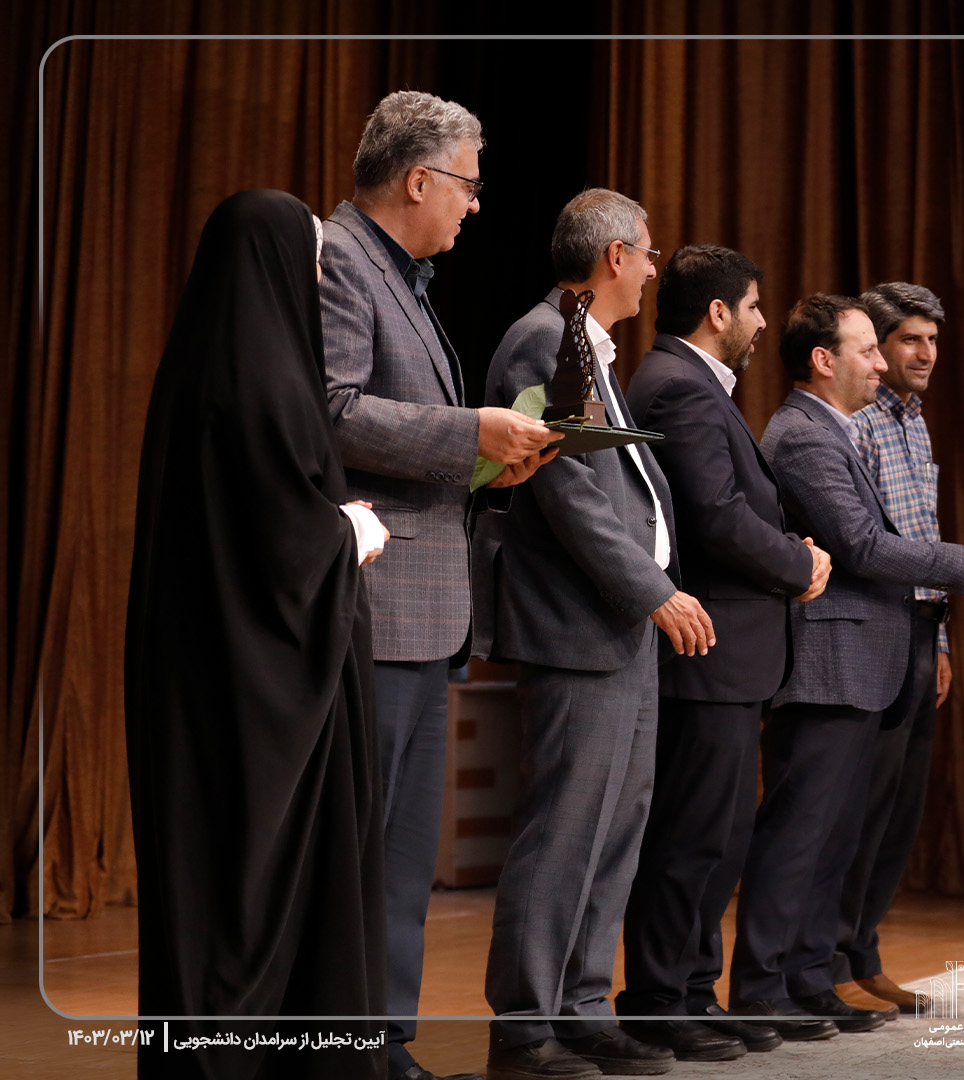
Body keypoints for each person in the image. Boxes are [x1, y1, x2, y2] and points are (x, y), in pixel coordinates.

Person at [319, 90, 559, 1080]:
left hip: (423, 612)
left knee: (403, 857)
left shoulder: (405, 276)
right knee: (361, 852)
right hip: (376, 607)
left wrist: (489, 465)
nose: (475, 203)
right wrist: (471, 433)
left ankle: (385, 1046)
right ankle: (344, 1047)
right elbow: (331, 410)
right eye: (467, 184)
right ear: (418, 180)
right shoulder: (340, 259)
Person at [127, 189, 387, 1079]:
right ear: (272, 266)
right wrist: (349, 530)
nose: (316, 281)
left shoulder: (208, 367)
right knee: (248, 892)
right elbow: (276, 541)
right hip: (253, 695)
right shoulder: (261, 383)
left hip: (212, 682)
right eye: (310, 262)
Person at [471, 189, 709, 1079]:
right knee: (566, 829)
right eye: (647, 254)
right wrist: (655, 591)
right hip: (579, 627)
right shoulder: (542, 339)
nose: (651, 271)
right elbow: (566, 491)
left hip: (619, 630)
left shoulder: (590, 346)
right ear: (614, 256)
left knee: (615, 830)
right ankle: (525, 1027)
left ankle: (582, 1009)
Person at [727, 295, 964, 1033]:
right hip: (829, 661)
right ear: (824, 360)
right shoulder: (804, 435)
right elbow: (862, 546)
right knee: (800, 830)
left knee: (837, 833)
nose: (883, 364)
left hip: (863, 660)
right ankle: (761, 988)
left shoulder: (835, 429)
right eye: (871, 350)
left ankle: (808, 978)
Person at [617, 245, 834, 1059]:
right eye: (752, 307)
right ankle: (658, 999)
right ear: (718, 312)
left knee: (718, 839)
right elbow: (715, 515)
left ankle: (693, 990)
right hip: (708, 652)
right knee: (690, 839)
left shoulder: (691, 381)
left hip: (730, 655)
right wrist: (798, 563)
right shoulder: (679, 384)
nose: (762, 322)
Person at [832, 282, 958, 1016]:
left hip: (920, 628)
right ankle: (830, 958)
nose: (925, 354)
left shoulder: (916, 422)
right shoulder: (857, 420)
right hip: (873, 628)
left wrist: (939, 639)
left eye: (933, 341)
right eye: (911, 339)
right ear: (877, 348)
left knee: (899, 811)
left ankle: (863, 950)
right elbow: (864, 544)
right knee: (861, 804)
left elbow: (925, 532)